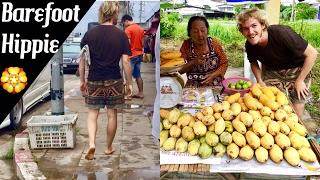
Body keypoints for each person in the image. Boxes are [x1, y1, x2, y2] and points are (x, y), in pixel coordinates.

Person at [236, 8, 318, 118]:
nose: (250, 32)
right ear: (242, 31)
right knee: (271, 104)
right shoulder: (250, 44)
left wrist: (300, 80)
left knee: (296, 107)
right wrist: (259, 80)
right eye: (246, 29)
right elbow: (253, 62)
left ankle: (298, 123)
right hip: (273, 71)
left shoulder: (282, 34)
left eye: (254, 26)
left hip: (297, 70)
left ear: (263, 25)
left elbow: (312, 53)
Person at [79, 1, 133, 160]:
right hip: (114, 80)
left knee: (92, 114)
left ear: (102, 13)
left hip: (94, 78)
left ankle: (91, 144)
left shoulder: (90, 34)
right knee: (112, 115)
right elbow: (125, 62)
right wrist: (129, 83)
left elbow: (82, 60)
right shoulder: (121, 35)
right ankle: (108, 147)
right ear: (115, 14)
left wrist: (82, 80)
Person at [179, 16, 228, 88]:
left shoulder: (214, 43)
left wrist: (214, 75)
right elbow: (180, 70)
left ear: (207, 30)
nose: (200, 35)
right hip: (194, 88)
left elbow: (224, 63)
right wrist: (194, 62)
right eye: (195, 31)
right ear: (190, 32)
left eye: (202, 30)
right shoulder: (186, 45)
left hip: (216, 85)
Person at [121, 14, 145, 99]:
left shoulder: (128, 29)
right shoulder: (140, 28)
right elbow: (143, 43)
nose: (123, 25)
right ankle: (141, 93)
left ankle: (128, 95)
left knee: (128, 75)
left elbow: (128, 44)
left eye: (123, 23)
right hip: (139, 54)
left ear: (126, 21)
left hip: (131, 55)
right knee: (137, 75)